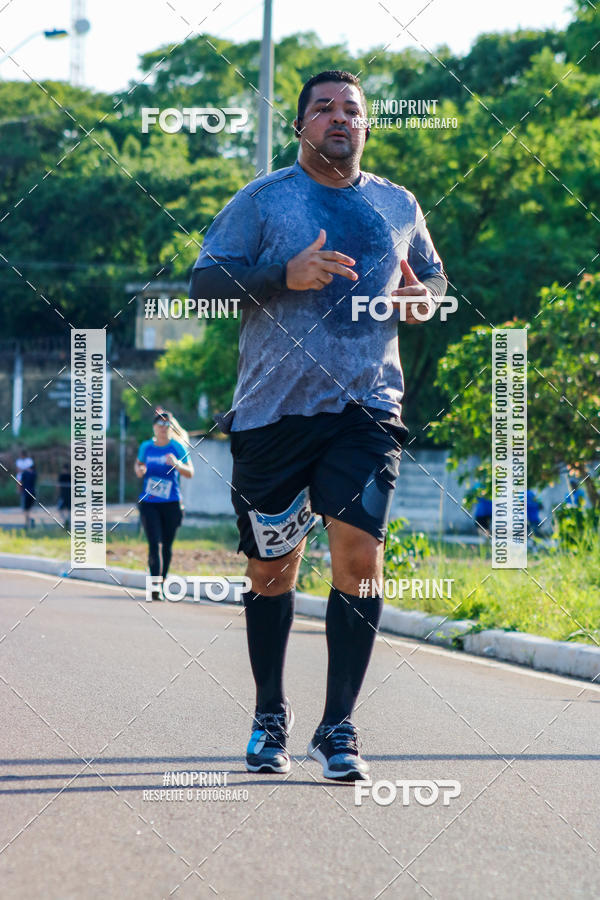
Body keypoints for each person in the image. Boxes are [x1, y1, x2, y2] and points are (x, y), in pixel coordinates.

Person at [190, 70, 447, 781]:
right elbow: (203, 286)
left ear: (367, 126)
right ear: (300, 124)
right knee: (273, 568)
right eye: (324, 108)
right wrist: (283, 274)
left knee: (360, 556)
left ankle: (339, 726)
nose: (340, 117)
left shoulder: (397, 203)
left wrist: (421, 298)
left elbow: (430, 281)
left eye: (352, 110)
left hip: (366, 409)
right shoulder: (263, 200)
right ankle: (270, 713)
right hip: (272, 413)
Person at [134, 410, 194, 600]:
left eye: (167, 425)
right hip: (149, 503)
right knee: (154, 544)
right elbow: (138, 466)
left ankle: (162, 581)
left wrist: (177, 464)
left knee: (166, 546)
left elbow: (190, 472)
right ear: (154, 427)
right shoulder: (146, 447)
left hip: (171, 503)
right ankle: (154, 588)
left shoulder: (177, 448)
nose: (163, 428)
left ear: (171, 428)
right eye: (160, 425)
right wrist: (140, 470)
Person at [19, 456, 37, 528]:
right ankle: (28, 522)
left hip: (26, 493)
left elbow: (21, 482)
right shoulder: (34, 474)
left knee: (25, 510)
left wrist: (20, 490)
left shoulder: (24, 474)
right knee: (29, 509)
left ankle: (27, 523)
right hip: (33, 493)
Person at [57, 463, 71, 528]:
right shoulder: (61, 476)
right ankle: (65, 521)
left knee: (69, 510)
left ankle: (68, 522)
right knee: (60, 509)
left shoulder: (69, 476)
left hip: (69, 496)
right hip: (63, 496)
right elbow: (58, 486)